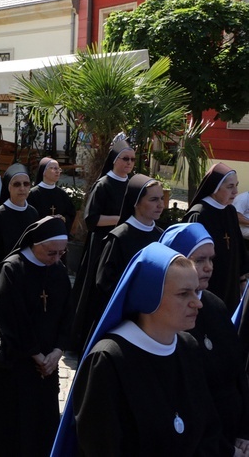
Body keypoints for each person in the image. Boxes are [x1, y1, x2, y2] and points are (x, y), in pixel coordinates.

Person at [53, 243, 223, 456]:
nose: (197, 303)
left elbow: (208, 430)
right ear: (149, 297)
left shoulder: (188, 347)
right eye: (183, 294)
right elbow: (102, 446)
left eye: (196, 291)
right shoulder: (108, 360)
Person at [0, 216, 73, 456]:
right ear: (35, 244)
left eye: (61, 253)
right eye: (51, 253)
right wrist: (36, 355)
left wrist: (58, 351)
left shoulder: (58, 270)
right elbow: (9, 318)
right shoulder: (13, 269)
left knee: (42, 428)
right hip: (17, 364)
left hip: (48, 364)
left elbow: (67, 312)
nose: (56, 259)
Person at [160, 223, 249, 454]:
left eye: (211, 260)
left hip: (235, 436)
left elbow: (238, 371)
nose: (208, 267)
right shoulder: (165, 317)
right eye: (199, 260)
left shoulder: (215, 305)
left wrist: (244, 432)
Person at [70, 140, 134, 355]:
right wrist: (122, 220)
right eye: (125, 158)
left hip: (124, 244)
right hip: (102, 245)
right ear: (114, 161)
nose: (129, 163)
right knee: (95, 292)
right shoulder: (104, 184)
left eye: (133, 159)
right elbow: (92, 219)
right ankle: (85, 340)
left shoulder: (132, 185)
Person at [85, 174, 165, 344]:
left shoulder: (161, 236)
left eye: (161, 199)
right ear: (136, 202)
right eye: (153, 199)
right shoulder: (119, 238)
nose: (160, 205)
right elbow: (104, 282)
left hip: (152, 318)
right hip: (121, 318)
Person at [183, 163, 249, 310]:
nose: (236, 191)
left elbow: (238, 247)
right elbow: (189, 259)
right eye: (230, 186)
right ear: (215, 187)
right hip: (207, 288)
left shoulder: (230, 211)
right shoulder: (199, 215)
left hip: (231, 287)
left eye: (236, 185)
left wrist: (242, 279)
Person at [0, 163, 39, 279]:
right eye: (17, 184)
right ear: (8, 187)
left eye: (26, 184)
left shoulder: (33, 213)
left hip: (29, 275)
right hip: (6, 277)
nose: (22, 188)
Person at [27, 157, 76, 233]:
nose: (57, 172)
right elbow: (29, 217)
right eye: (53, 168)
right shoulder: (33, 194)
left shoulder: (62, 194)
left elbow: (71, 213)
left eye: (58, 169)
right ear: (44, 172)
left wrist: (63, 218)